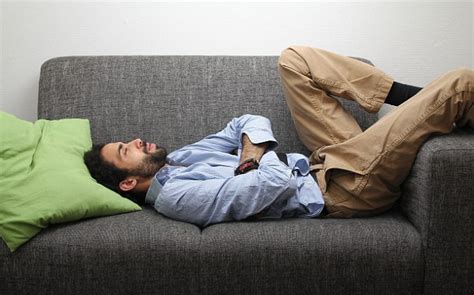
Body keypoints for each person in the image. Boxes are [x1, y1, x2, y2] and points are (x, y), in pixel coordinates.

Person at [84, 46, 473, 226]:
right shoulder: (178, 197)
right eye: (125, 150)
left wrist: (249, 157)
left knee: (294, 61)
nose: (135, 140)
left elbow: (245, 121)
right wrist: (256, 161)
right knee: (460, 83)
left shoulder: (182, 158)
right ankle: (439, 103)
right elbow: (274, 180)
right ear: (129, 181)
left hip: (325, 159)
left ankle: (407, 98)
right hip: (342, 188)